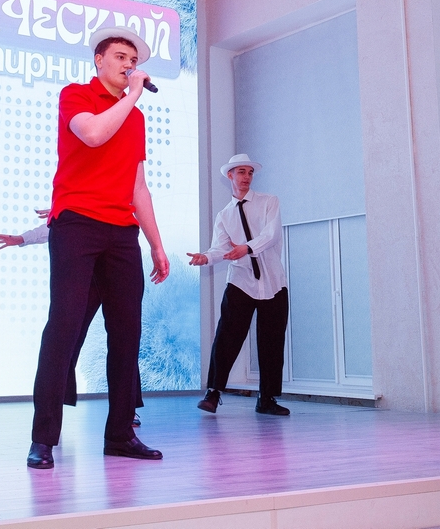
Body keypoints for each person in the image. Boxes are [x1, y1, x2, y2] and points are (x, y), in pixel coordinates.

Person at [26, 26, 170, 470]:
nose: (129, 65)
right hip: (77, 224)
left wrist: (156, 244)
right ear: (99, 60)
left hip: (122, 231)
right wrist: (132, 96)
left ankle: (120, 435)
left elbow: (138, 186)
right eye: (121, 57)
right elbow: (92, 134)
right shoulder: (77, 95)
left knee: (126, 334)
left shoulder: (136, 119)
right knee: (64, 326)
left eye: (134, 60)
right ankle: (43, 438)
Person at [0, 214, 143, 426]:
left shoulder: (120, 209)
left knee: (125, 338)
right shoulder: (75, 210)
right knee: (68, 336)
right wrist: (23, 238)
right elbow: (57, 228)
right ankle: (53, 407)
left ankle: (127, 411)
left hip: (113, 270)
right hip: (87, 277)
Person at [188, 153, 290, 417]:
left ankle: (266, 399)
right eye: (241, 172)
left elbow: (271, 235)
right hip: (241, 281)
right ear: (230, 176)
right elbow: (219, 249)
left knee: (272, 341)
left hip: (273, 282)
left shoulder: (269, 202)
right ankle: (213, 393)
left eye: (250, 172)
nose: (247, 177)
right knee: (227, 336)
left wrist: (246, 248)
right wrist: (206, 257)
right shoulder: (224, 215)